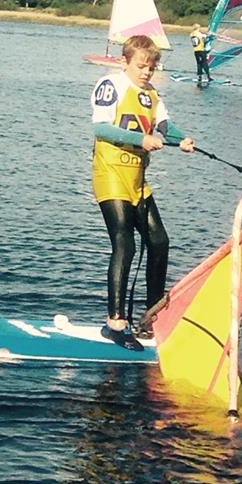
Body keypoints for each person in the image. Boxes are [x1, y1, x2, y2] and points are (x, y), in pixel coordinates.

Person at [91, 34, 195, 351]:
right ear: (125, 62)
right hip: (110, 175)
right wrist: (142, 141)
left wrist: (183, 140)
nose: (147, 72)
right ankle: (115, 324)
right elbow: (101, 128)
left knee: (159, 241)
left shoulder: (151, 94)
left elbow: (164, 126)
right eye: (141, 66)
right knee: (125, 245)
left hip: (137, 180)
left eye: (151, 67)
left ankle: (151, 316)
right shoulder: (111, 85)